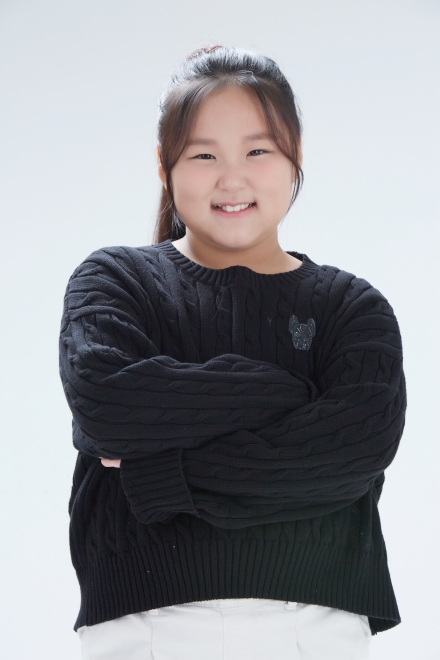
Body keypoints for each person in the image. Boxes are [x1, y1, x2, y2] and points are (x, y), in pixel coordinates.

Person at [59, 45, 407, 660]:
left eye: (257, 151)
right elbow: (107, 404)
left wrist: (158, 475)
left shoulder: (351, 308)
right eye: (203, 155)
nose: (232, 178)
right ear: (164, 164)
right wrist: (292, 394)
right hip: (146, 625)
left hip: (315, 627)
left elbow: (350, 451)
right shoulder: (115, 282)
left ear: (295, 155)